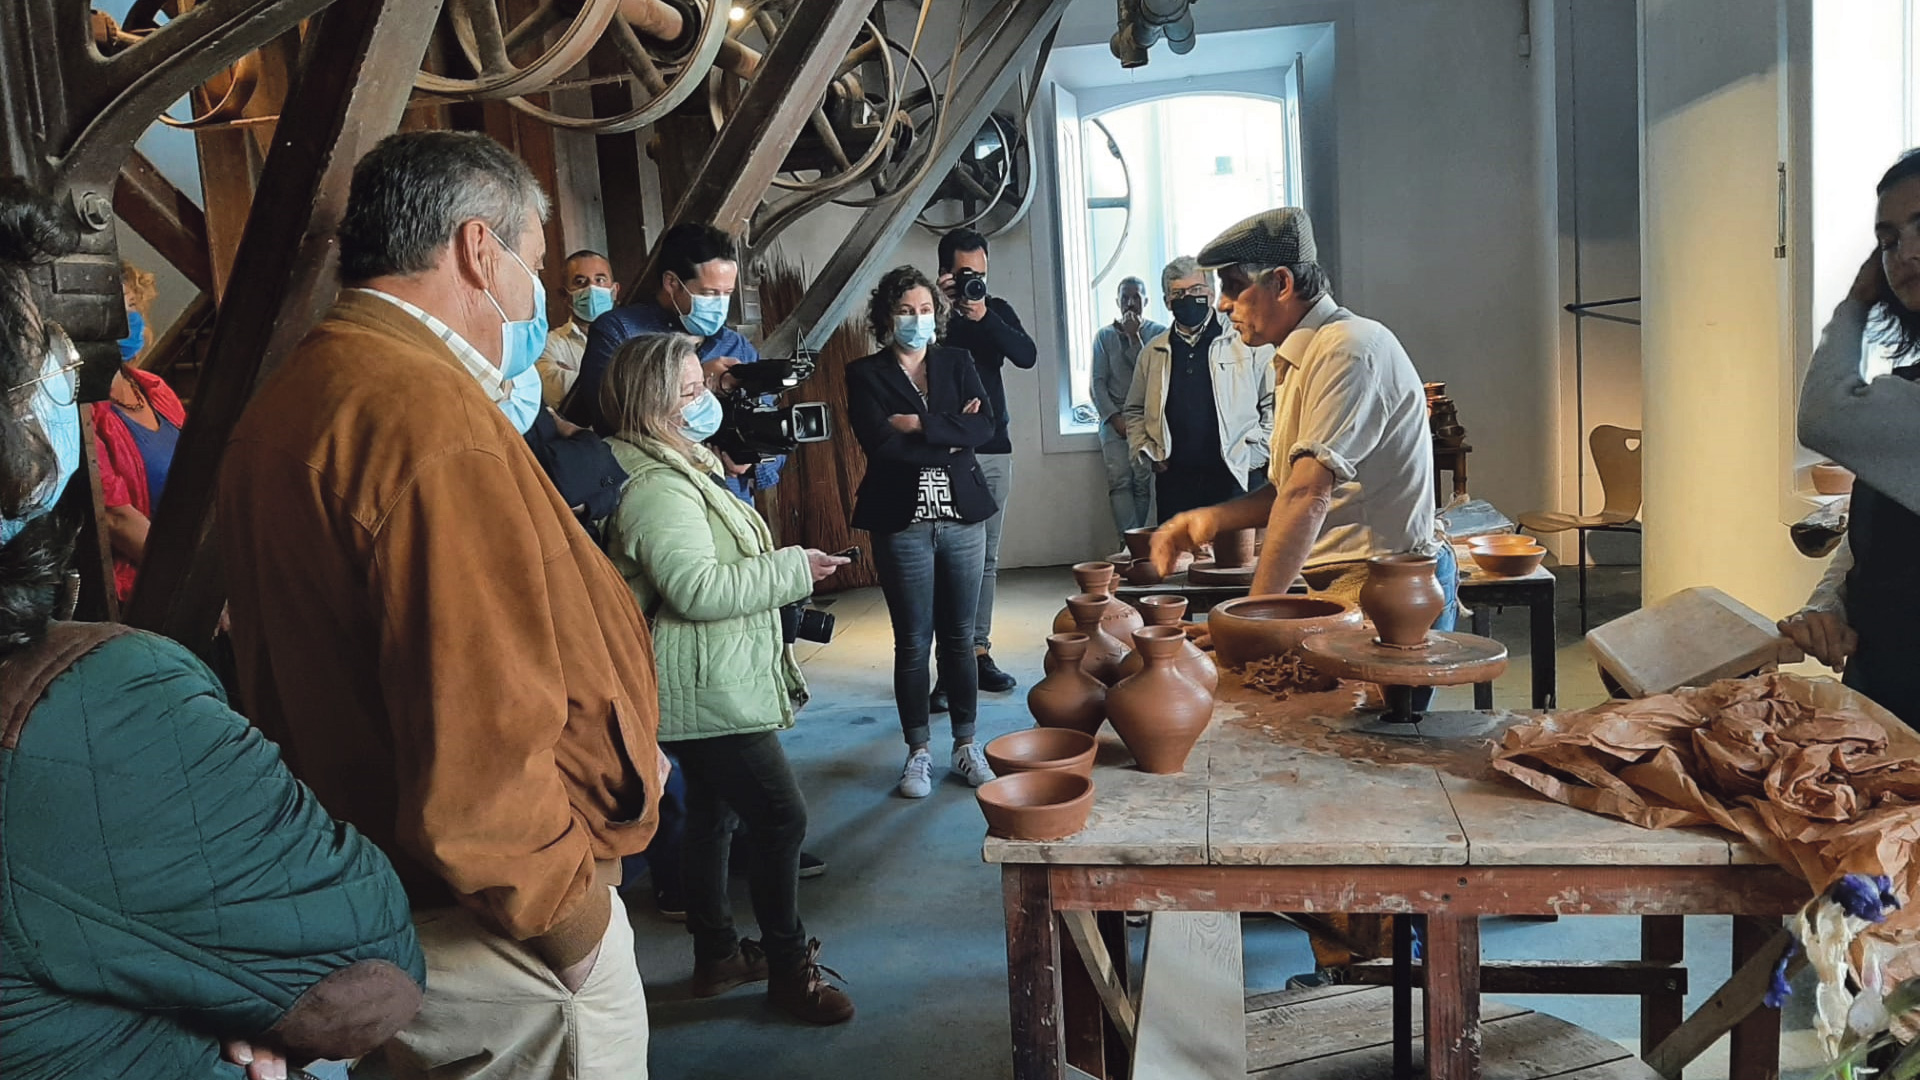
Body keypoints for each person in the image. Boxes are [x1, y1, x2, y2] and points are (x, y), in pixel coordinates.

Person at [216, 131, 667, 1080]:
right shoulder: (426, 421)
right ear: (477, 249)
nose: (538, 296)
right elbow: (485, 757)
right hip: (500, 940)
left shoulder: (305, 389)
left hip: (389, 897)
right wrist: (574, 927)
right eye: (535, 267)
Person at [0, 177, 424, 1080]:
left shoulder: (156, 389)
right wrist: (202, 1011)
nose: (65, 370)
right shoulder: (92, 707)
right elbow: (370, 966)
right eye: (42, 346)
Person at [1147, 208, 1454, 986]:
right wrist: (1212, 517)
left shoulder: (1350, 348)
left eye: (1233, 287)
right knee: (1326, 786)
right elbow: (1287, 488)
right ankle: (1348, 948)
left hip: (1387, 593)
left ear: (1283, 283)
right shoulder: (1299, 357)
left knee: (1354, 792)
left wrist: (1251, 620)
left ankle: (1374, 978)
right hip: (1340, 587)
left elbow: (1310, 497)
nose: (1221, 303)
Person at [598, 332, 855, 1023]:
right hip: (702, 685)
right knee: (780, 815)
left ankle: (716, 956)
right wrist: (794, 568)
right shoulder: (654, 486)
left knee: (714, 812)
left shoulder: (678, 465)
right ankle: (785, 967)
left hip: (703, 676)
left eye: (704, 386)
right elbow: (696, 588)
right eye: (690, 392)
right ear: (652, 404)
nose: (706, 401)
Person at [847, 265, 1001, 798]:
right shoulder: (864, 374)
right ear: (887, 318)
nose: (918, 320)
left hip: (962, 519)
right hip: (902, 522)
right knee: (912, 642)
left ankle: (965, 743)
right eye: (907, 310)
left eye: (926, 309)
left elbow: (988, 427)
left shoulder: (957, 361)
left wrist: (920, 425)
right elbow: (881, 446)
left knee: (961, 639)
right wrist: (952, 432)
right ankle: (918, 753)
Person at [1783, 148, 1920, 726]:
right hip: (1887, 693)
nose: (1906, 255)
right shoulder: (1906, 391)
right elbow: (1880, 531)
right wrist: (1828, 607)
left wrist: (1856, 303)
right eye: (1888, 241)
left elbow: (1824, 415)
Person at [936, 228, 1035, 700]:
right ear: (946, 273)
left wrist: (982, 315)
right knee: (942, 558)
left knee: (986, 559)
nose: (974, 281)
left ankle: (978, 652)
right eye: (964, 274)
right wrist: (941, 309)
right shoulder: (928, 313)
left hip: (993, 448)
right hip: (940, 453)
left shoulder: (995, 310)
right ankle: (947, 664)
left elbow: (1026, 355)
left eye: (980, 272)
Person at [1123, 256, 1275, 522]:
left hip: (1235, 478)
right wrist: (1147, 452)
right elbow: (1134, 409)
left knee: (1236, 560)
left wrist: (1255, 454)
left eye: (1196, 291)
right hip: (1174, 483)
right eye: (1178, 293)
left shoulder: (1247, 341)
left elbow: (1273, 403)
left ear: (1212, 293)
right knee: (1178, 560)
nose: (1188, 298)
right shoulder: (1153, 352)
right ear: (1166, 301)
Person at [567, 223, 756, 433]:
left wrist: (752, 460)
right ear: (671, 282)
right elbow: (611, 418)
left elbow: (774, 426)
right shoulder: (619, 332)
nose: (720, 304)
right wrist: (695, 382)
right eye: (709, 293)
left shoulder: (737, 347)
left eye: (727, 293)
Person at [91, 262, 188, 603]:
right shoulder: (83, 410)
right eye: (117, 309)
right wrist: (191, 582)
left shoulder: (154, 388)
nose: (129, 319)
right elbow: (116, 517)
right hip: (144, 590)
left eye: (132, 306)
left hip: (190, 560)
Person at [1092, 276, 1164, 541]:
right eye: (1125, 298)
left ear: (1146, 300)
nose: (1130, 303)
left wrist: (1134, 337)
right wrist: (1113, 417)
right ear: (1117, 302)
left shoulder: (1158, 334)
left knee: (1142, 482)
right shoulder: (1104, 336)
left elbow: (1152, 374)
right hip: (1114, 421)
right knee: (1120, 481)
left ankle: (1139, 541)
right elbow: (1097, 383)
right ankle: (1128, 542)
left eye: (1136, 297)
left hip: (1146, 419)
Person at [536, 248, 619, 408]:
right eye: (580, 282)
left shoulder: (632, 337)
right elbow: (555, 392)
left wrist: (581, 378)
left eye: (600, 280)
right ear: (565, 295)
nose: (592, 288)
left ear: (614, 291)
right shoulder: (547, 344)